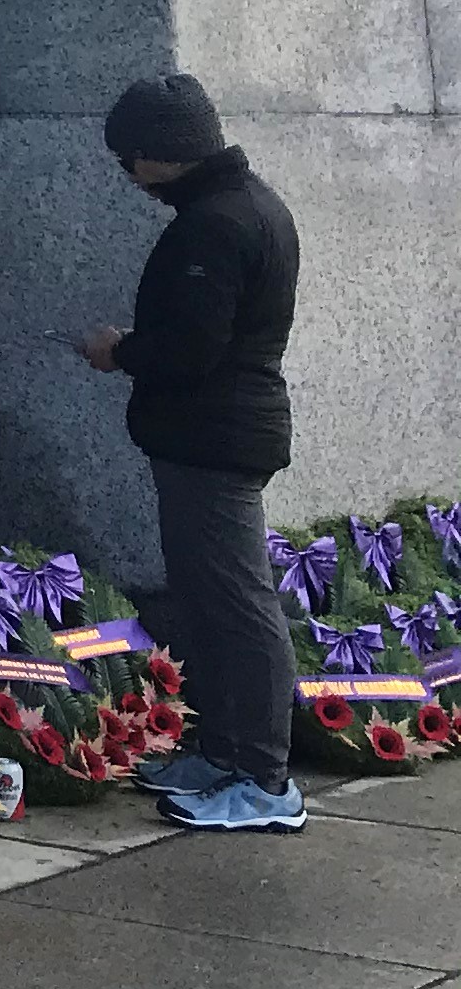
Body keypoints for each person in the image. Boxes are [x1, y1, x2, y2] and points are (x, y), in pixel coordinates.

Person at [74, 73, 304, 832]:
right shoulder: (246, 205)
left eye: (129, 159)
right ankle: (230, 751)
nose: (128, 176)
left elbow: (191, 350)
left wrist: (119, 351)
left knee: (239, 607)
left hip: (215, 439)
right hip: (217, 435)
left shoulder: (213, 225)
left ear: (163, 155)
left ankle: (265, 780)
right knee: (213, 602)